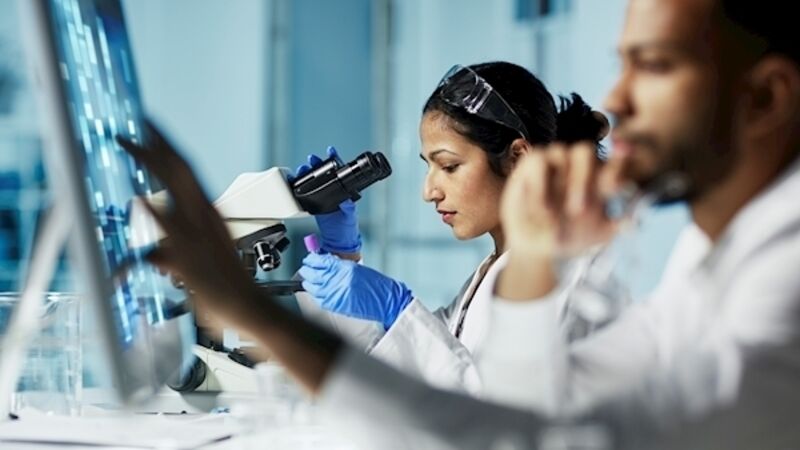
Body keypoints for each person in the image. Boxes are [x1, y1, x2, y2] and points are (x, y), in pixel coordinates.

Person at [117, 0, 800, 447]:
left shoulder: (781, 288)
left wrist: (258, 311)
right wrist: (345, 271)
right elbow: (500, 407)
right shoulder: (707, 262)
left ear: (767, 97)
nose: (617, 98)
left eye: (652, 65)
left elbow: (507, 434)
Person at [293, 62, 612, 392]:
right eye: (429, 167)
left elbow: (489, 411)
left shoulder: (558, 276)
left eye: (449, 166)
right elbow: (402, 377)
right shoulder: (493, 274)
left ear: (517, 158)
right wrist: (343, 255)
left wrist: (398, 309)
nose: (429, 191)